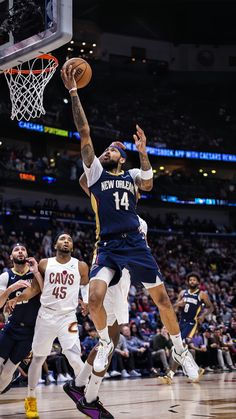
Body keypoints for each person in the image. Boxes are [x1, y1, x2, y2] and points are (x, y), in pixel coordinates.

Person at [61, 67, 200, 418]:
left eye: (113, 149)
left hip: (134, 244)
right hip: (107, 245)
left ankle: (180, 349)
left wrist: (142, 150)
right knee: (93, 299)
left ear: (121, 157)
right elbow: (84, 131)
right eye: (106, 149)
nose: (107, 150)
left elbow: (150, 183)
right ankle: (105, 344)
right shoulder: (95, 173)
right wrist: (74, 92)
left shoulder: (133, 175)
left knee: (163, 298)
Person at [11, 233, 89, 419]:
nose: (66, 241)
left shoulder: (81, 265)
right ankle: (31, 398)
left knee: (75, 358)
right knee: (38, 359)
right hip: (46, 315)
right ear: (55, 244)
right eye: (62, 239)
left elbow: (86, 285)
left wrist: (85, 301)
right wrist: (17, 298)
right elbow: (35, 289)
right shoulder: (45, 263)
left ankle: (88, 399)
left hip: (68, 317)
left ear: (72, 246)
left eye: (69, 239)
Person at [0, 243, 41, 394]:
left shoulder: (35, 274)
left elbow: (44, 291)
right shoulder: (6, 276)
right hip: (11, 327)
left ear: (27, 254)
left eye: (23, 249)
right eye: (16, 250)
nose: (20, 251)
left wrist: (36, 271)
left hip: (30, 331)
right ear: (11, 257)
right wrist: (12, 288)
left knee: (8, 371)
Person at [161, 271, 214, 384]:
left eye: (194, 280)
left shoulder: (202, 294)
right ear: (187, 282)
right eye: (190, 280)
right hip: (181, 322)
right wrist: (178, 305)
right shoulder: (182, 293)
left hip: (192, 323)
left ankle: (170, 375)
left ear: (198, 282)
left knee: (179, 347)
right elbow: (174, 307)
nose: (192, 281)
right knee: (179, 348)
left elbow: (211, 307)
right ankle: (197, 369)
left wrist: (203, 315)